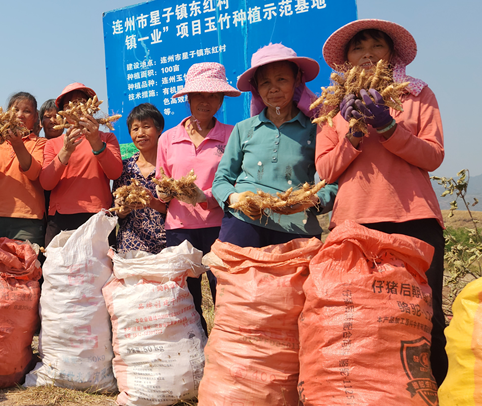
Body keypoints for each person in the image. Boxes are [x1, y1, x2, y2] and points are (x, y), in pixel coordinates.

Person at [315, 19, 447, 385]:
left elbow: (433, 156)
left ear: (391, 55)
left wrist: (389, 128)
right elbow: (325, 169)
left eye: (376, 46)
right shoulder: (331, 105)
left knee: (425, 315)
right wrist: (353, 134)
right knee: (363, 319)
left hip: (413, 218)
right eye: (358, 48)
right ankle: (375, 404)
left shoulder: (417, 95)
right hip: (354, 224)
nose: (367, 54)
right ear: (346, 60)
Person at [212, 44, 337, 248]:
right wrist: (236, 198)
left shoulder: (317, 129)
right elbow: (221, 179)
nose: (273, 89)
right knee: (236, 278)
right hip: (243, 223)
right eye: (265, 83)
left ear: (297, 80)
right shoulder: (244, 129)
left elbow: (332, 182)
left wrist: (310, 200)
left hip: (299, 228)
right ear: (256, 88)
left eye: (282, 79)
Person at [156, 63, 239, 326]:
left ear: (221, 99)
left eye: (213, 95)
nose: (206, 101)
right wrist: (162, 190)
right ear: (188, 98)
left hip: (221, 226)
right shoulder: (168, 139)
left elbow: (238, 182)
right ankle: (196, 349)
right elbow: (162, 181)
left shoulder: (232, 134)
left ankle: (224, 346)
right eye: (199, 94)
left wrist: (206, 197)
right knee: (186, 297)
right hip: (179, 229)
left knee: (224, 290)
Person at [39, 82, 123, 246]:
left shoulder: (107, 138)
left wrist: (95, 142)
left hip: (97, 216)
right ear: (64, 112)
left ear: (91, 106)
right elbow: (46, 183)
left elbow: (115, 173)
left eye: (81, 101)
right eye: (69, 103)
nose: (76, 107)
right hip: (61, 219)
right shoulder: (53, 144)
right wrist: (65, 151)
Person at [0, 92, 47, 246]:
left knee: (25, 267)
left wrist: (17, 144)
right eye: (15, 110)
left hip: (28, 220)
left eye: (27, 111)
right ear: (7, 114)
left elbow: (34, 173)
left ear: (36, 117)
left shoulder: (41, 143)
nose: (20, 115)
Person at [112, 103, 167, 254]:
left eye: (146, 126)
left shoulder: (169, 166)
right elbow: (116, 210)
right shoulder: (124, 168)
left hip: (166, 247)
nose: (140, 133)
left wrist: (153, 203)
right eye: (135, 129)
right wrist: (122, 210)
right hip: (130, 249)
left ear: (159, 129)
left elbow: (180, 209)